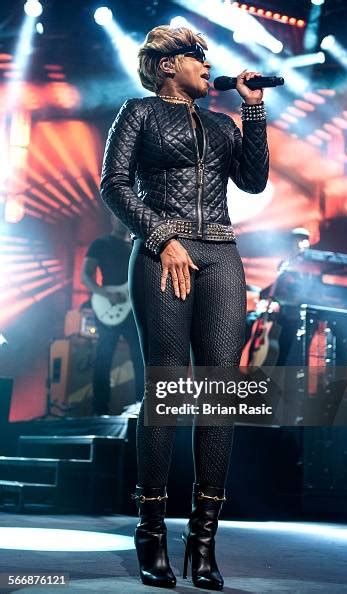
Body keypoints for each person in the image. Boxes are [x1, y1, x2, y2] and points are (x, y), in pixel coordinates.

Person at [100, 25, 269, 590]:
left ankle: (204, 541)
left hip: (221, 254)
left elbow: (253, 179)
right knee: (168, 390)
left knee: (220, 396)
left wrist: (255, 111)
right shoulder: (139, 112)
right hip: (161, 254)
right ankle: (151, 530)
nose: (206, 65)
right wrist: (160, 236)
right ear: (167, 65)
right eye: (197, 57)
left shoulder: (223, 123)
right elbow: (114, 184)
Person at [81, 214, 144, 415]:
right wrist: (105, 293)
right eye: (118, 217)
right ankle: (99, 409)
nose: (121, 221)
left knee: (140, 356)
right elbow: (85, 275)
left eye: (124, 218)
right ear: (112, 220)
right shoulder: (101, 243)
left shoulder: (136, 246)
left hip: (132, 309)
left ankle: (141, 405)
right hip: (107, 305)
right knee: (104, 356)